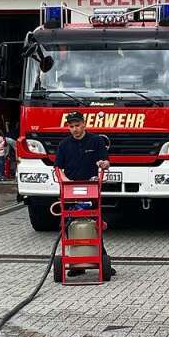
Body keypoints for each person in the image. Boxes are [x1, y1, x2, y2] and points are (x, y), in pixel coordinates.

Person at [54, 111, 115, 278]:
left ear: (84, 124)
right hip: (70, 190)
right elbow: (58, 168)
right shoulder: (64, 145)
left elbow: (106, 162)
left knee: (94, 224)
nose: (75, 129)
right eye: (71, 126)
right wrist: (66, 183)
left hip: (91, 189)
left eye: (77, 125)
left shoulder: (96, 141)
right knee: (69, 224)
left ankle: (101, 259)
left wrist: (103, 164)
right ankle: (75, 263)